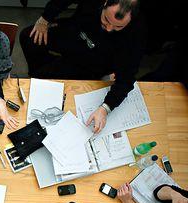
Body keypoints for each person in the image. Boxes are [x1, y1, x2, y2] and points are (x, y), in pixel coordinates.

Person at [19, 0, 145, 133]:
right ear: (105, 3)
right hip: (76, 31)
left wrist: (105, 108)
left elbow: (127, 78)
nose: (108, 29)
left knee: (50, 77)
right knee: (29, 37)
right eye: (106, 20)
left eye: (118, 27)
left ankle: (45, 73)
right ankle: (38, 73)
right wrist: (45, 18)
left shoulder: (137, 32)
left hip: (97, 60)